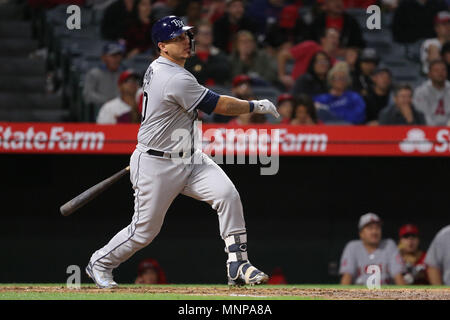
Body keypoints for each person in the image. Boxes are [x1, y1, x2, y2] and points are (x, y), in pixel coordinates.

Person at [85, 15, 279, 289]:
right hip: (156, 163)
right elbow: (219, 105)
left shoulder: (163, 67)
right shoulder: (172, 76)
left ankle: (237, 264)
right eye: (177, 39)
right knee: (144, 232)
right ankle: (100, 262)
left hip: (188, 157)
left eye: (186, 35)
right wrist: (255, 106)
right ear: (162, 46)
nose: (186, 41)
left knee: (227, 195)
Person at [339, 213, 406, 285]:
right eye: (370, 228)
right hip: (359, 295)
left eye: (377, 228)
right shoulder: (352, 247)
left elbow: (398, 276)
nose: (374, 232)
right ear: (361, 233)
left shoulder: (389, 245)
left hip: (385, 294)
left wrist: (404, 295)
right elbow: (346, 277)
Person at [184, 21, 231, 87]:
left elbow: (224, 73)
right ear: (196, 36)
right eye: (204, 33)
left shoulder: (220, 55)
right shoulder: (187, 56)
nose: (207, 36)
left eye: (209, 33)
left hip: (219, 91)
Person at [82, 42, 125, 109]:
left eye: (119, 56)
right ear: (103, 58)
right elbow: (88, 95)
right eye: (113, 56)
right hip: (100, 111)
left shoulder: (124, 74)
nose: (117, 59)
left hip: (121, 111)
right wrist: (108, 101)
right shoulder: (94, 73)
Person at [413, 59, 450, 126]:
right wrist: (434, 131)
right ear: (429, 74)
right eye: (436, 70)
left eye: (443, 70)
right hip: (428, 129)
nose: (440, 73)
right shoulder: (421, 92)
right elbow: (423, 114)